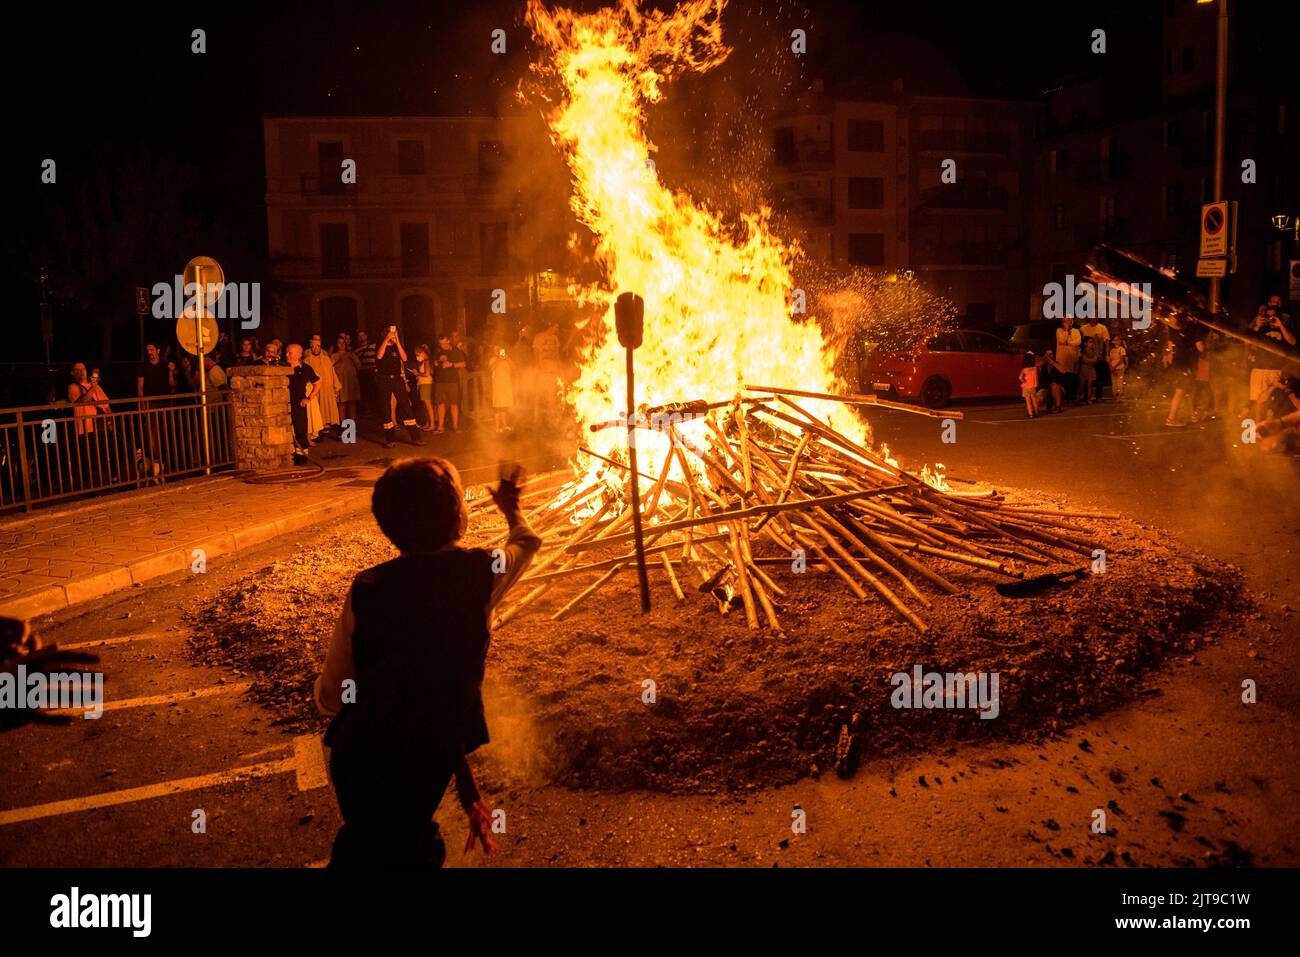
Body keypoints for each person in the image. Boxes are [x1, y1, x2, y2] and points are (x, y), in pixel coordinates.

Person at [313, 457, 542, 867]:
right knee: (405, 852)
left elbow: (330, 698)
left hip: (358, 762)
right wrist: (511, 510)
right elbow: (527, 543)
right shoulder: (479, 574)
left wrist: (469, 792)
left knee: (369, 848)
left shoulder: (367, 589)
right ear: (458, 521)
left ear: (388, 527)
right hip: (415, 769)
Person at [1247, 305, 1297, 425]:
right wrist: (1257, 325)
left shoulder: (1284, 329)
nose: (1270, 318)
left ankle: (1273, 429)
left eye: (1273, 316)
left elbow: (1293, 342)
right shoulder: (1260, 329)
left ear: (1279, 317)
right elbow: (1248, 341)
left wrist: (1281, 326)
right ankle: (1256, 430)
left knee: (1276, 402)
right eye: (1268, 316)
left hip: (1276, 369)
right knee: (1257, 403)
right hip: (1259, 369)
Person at [376, 326, 423, 448]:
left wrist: (397, 342)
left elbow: (405, 358)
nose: (393, 335)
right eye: (391, 333)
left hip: (397, 379)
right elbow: (379, 356)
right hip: (384, 380)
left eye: (394, 333)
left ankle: (416, 438)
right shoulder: (380, 345)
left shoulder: (397, 346)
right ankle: (390, 439)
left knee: (406, 406)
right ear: (386, 334)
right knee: (386, 409)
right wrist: (386, 340)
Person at [68, 363, 113, 487]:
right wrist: (93, 387)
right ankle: (93, 485)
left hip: (99, 425)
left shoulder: (96, 387)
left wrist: (110, 420)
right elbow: (82, 401)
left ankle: (107, 481)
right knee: (90, 458)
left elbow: (106, 404)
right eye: (77, 370)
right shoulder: (73, 387)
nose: (81, 372)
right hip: (85, 427)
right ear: (72, 373)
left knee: (103, 455)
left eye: (83, 369)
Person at [285, 343, 320, 464]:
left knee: (300, 429)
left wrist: (309, 398)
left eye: (289, 352)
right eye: (286, 352)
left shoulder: (305, 368)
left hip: (299, 404)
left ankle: (302, 456)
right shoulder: (282, 368)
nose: (287, 355)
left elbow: (317, 383)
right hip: (284, 404)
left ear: (298, 354)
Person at [304, 334, 342, 441]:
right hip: (317, 390)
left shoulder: (326, 359)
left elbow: (332, 372)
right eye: (313, 346)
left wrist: (336, 386)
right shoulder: (307, 360)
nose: (316, 348)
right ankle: (318, 434)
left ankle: (339, 433)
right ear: (310, 347)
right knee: (319, 412)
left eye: (318, 346)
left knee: (332, 412)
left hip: (328, 390)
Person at [433, 334, 467, 433]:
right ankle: (440, 427)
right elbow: (434, 362)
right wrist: (436, 363)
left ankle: (455, 426)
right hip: (439, 381)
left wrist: (451, 364)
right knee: (440, 404)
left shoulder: (456, 351)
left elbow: (463, 364)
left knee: (453, 403)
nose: (442, 345)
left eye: (444, 343)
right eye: (440, 344)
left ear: (448, 341)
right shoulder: (438, 351)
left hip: (452, 381)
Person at [332, 333, 361, 428]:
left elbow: (359, 367)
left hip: (351, 382)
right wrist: (341, 359)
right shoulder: (334, 355)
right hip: (340, 382)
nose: (342, 345)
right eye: (339, 343)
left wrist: (353, 357)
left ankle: (353, 426)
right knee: (342, 403)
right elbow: (330, 368)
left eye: (343, 343)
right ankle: (343, 426)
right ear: (337, 344)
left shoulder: (352, 354)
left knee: (352, 403)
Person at [1078, 317, 1110, 401]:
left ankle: (1098, 396)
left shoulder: (1102, 328)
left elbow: (1106, 343)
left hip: (1098, 355)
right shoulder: (1083, 329)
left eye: (1094, 317)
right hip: (1086, 356)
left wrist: (1106, 355)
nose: (1093, 319)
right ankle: (1085, 396)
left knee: (1099, 376)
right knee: (1085, 377)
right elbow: (1079, 342)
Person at [1054, 316, 1082, 403]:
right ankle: (1063, 398)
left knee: (1072, 378)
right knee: (1064, 378)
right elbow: (1061, 340)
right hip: (1062, 359)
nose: (1067, 323)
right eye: (1065, 321)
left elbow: (1078, 341)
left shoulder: (1076, 331)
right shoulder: (1059, 331)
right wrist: (1066, 331)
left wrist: (1068, 343)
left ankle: (1072, 397)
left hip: (1073, 358)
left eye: (1069, 321)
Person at [489, 345, 515, 432]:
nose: (497, 351)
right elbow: (491, 369)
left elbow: (514, 367)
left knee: (504, 407)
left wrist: (507, 358)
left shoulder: (507, 359)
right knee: (497, 407)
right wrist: (499, 359)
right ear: (494, 351)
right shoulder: (493, 359)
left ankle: (504, 425)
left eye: (499, 350)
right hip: (497, 387)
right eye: (495, 350)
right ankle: (497, 427)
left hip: (506, 386)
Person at [411, 344, 436, 431]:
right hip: (423, 384)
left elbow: (427, 374)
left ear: (422, 353)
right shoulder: (425, 361)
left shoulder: (427, 361)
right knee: (426, 406)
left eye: (417, 355)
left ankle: (432, 425)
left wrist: (417, 373)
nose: (416, 357)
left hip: (426, 384)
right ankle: (428, 423)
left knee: (428, 405)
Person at [355, 329, 378, 415]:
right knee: (365, 392)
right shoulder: (357, 350)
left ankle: (376, 410)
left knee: (374, 391)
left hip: (373, 371)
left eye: (362, 335)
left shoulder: (373, 346)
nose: (361, 337)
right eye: (359, 336)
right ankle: (368, 411)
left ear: (366, 336)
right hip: (363, 373)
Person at [1018, 352, 1039, 419]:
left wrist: (1024, 381)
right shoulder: (1035, 369)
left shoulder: (1024, 370)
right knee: (1034, 399)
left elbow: (1020, 377)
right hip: (1033, 386)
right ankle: (1036, 412)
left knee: (1028, 401)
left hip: (1026, 386)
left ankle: (1030, 414)